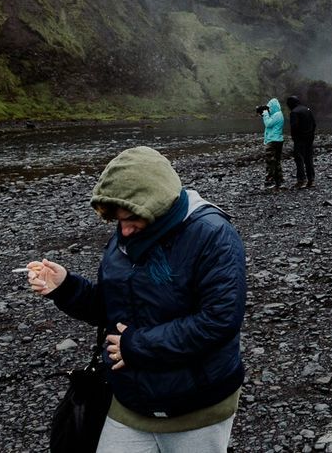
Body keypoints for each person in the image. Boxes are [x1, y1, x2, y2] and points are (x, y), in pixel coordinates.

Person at [25, 146, 246, 453]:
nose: (124, 230)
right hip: (130, 400)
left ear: (157, 205)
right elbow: (111, 309)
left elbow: (219, 320)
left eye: (130, 219)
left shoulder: (212, 235)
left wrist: (136, 346)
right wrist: (65, 286)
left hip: (197, 404)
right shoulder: (128, 234)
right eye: (117, 220)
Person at [285, 95, 317, 188]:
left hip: (300, 139)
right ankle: (311, 180)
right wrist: (311, 134)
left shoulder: (294, 112)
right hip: (309, 138)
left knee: (299, 159)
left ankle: (301, 180)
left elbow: (294, 127)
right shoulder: (307, 109)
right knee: (309, 159)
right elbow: (314, 124)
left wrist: (294, 138)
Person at [259, 97, 284, 189]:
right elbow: (270, 124)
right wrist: (265, 115)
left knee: (270, 161)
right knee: (276, 161)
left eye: (269, 108)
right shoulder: (278, 114)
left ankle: (270, 180)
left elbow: (268, 124)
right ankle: (279, 179)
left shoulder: (277, 115)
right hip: (277, 140)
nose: (268, 109)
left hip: (272, 141)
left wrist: (265, 114)